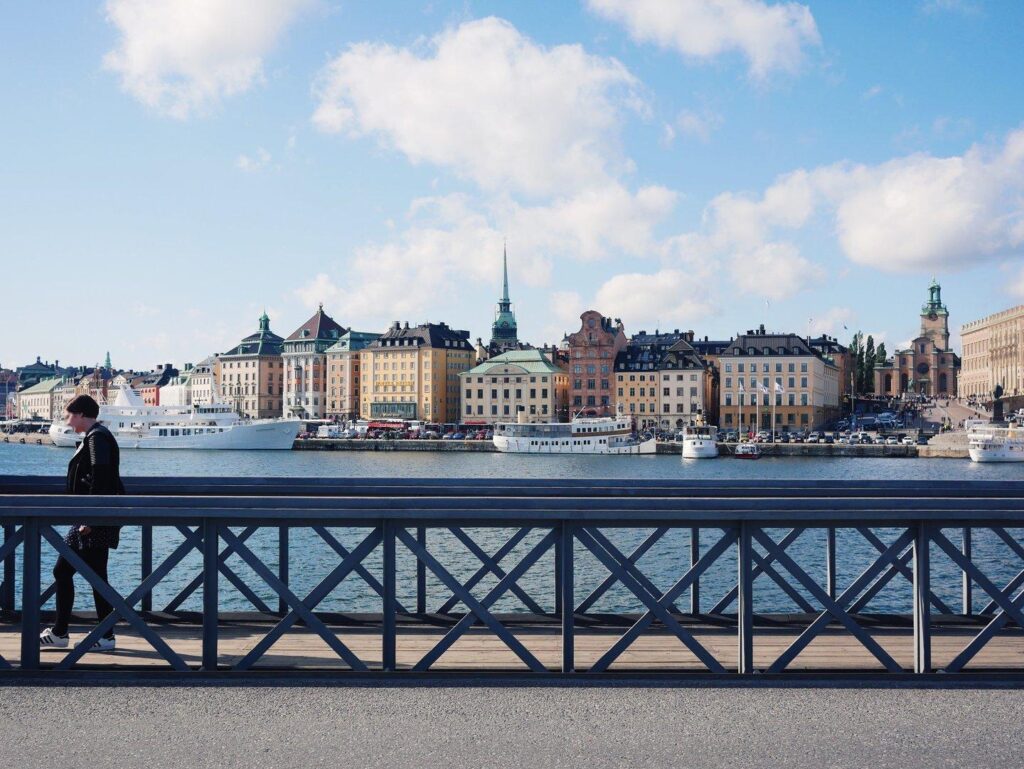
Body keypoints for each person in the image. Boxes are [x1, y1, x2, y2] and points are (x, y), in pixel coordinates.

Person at [39, 395, 124, 652]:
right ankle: (72, 632)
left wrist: (91, 518)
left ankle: (75, 633)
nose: (67, 420)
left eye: (69, 415)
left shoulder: (97, 437)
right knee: (87, 574)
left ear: (81, 415)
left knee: (80, 574)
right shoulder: (95, 436)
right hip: (91, 517)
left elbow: (102, 475)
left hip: (92, 519)